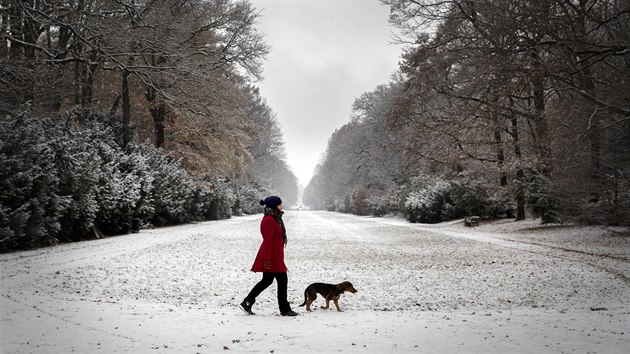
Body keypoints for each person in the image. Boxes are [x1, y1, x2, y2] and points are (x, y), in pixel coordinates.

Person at [239, 196, 298, 317]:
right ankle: (285, 309)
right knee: (282, 280)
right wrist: (267, 259)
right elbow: (268, 241)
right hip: (272, 256)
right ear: (274, 206)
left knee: (267, 280)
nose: (282, 206)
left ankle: (247, 301)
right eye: (280, 204)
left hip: (275, 255)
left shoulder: (275, 218)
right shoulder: (269, 221)